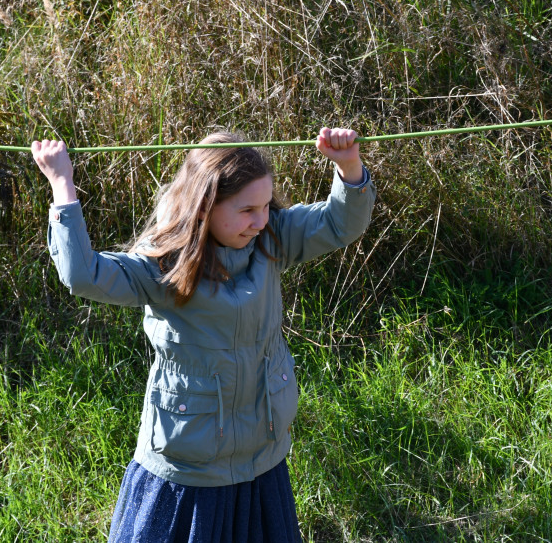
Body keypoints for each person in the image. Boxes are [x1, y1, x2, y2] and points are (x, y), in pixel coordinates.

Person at [32, 128, 375, 542]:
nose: (261, 219)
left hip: (260, 464)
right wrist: (61, 183)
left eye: (266, 205)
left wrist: (348, 166)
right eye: (247, 209)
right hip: (187, 469)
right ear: (204, 207)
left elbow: (342, 223)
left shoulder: (272, 239)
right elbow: (82, 274)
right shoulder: (162, 267)